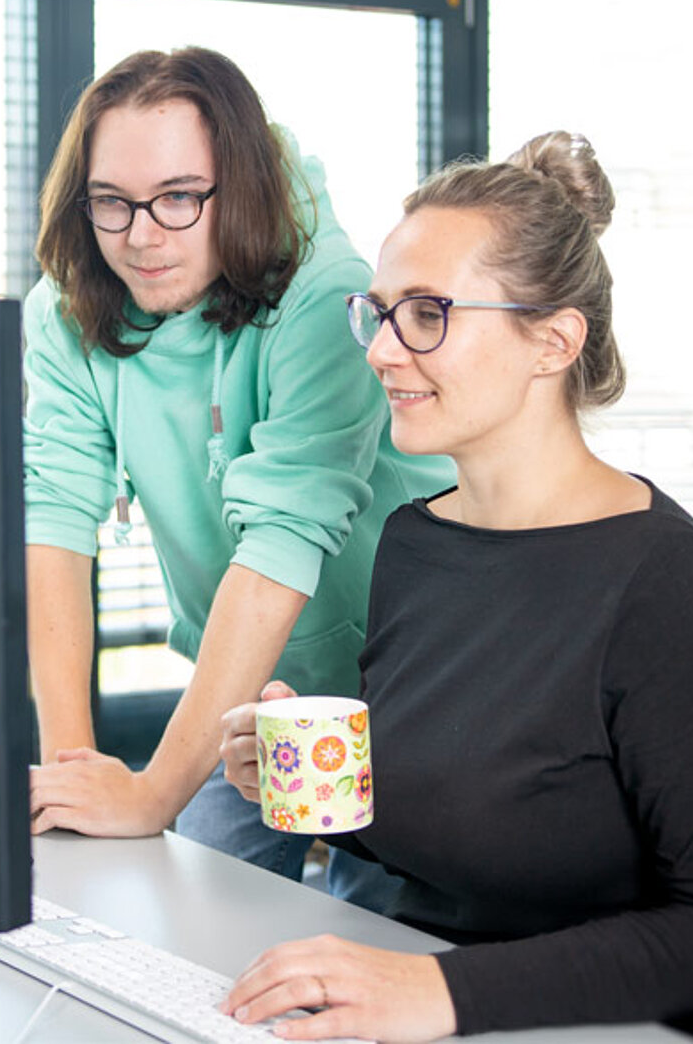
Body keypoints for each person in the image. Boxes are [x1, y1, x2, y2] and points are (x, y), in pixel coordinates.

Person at [216, 132, 693, 1041]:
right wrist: (314, 787)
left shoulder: (662, 582)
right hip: (435, 998)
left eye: (428, 314)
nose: (382, 351)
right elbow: (475, 818)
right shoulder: (415, 540)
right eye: (380, 313)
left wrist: (440, 991)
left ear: (553, 341)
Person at [23, 44, 452, 903]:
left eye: (179, 197)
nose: (142, 236)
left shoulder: (328, 294)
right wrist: (73, 778)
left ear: (239, 187)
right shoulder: (65, 311)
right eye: (111, 202)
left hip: (406, 687)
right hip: (242, 689)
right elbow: (55, 521)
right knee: (194, 915)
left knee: (379, 926)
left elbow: (281, 545)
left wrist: (150, 793)